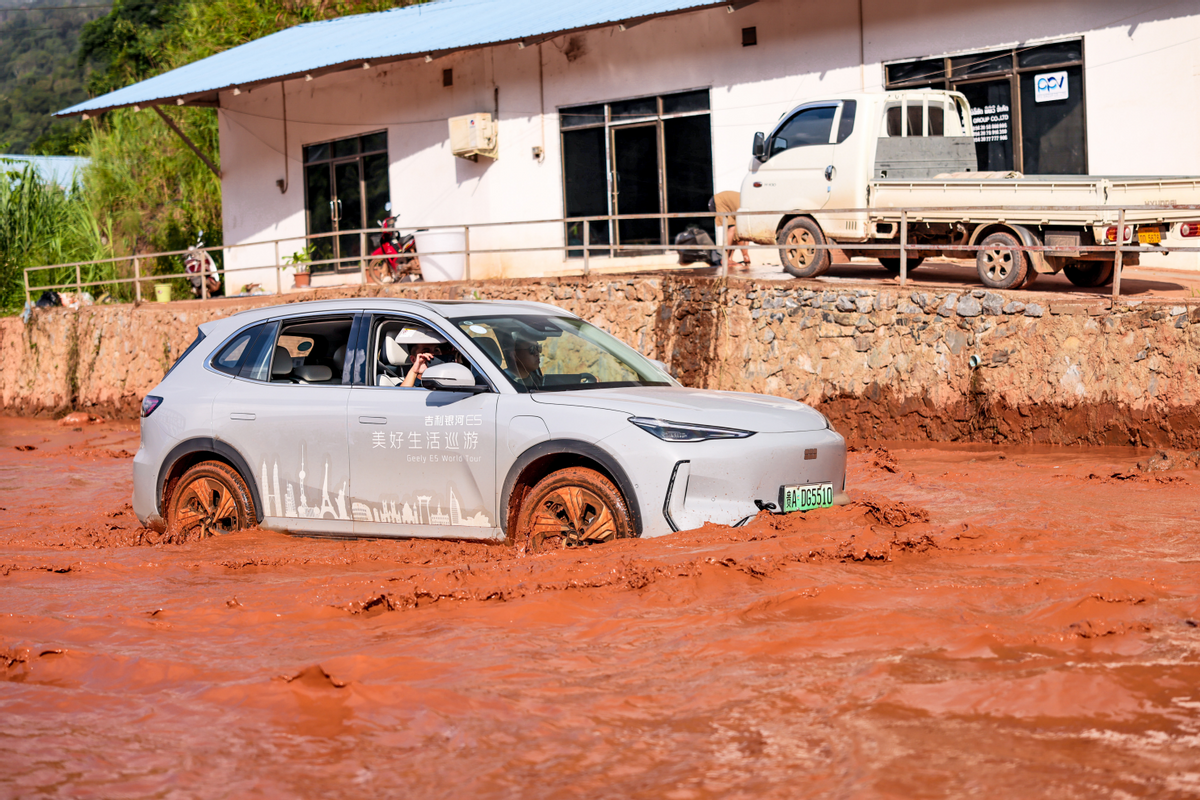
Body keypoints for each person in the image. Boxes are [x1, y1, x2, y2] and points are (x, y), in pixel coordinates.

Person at [710, 190, 751, 270]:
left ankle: (729, 259)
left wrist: (746, 253)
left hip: (727, 203)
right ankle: (725, 259)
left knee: (737, 230)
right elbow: (738, 235)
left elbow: (745, 235)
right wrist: (745, 255)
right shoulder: (749, 208)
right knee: (732, 228)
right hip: (718, 201)